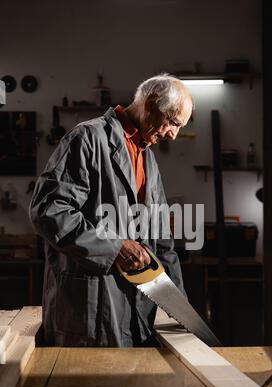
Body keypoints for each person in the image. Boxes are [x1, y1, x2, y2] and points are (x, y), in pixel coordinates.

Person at [30, 74, 193, 347]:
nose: (173, 135)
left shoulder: (147, 158)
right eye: (173, 122)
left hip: (135, 310)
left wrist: (181, 308)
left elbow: (162, 240)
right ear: (150, 103)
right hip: (88, 306)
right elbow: (49, 210)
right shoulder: (87, 139)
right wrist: (114, 247)